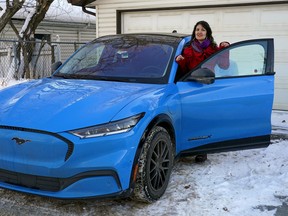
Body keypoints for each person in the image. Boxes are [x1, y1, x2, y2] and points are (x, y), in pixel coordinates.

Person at [175, 20, 230, 163]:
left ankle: (202, 149)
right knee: (192, 118)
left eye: (203, 30)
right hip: (191, 87)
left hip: (208, 87)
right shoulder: (187, 48)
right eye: (197, 29)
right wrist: (180, 60)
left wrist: (225, 49)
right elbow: (184, 70)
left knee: (205, 119)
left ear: (208, 32)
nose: (199, 32)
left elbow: (224, 66)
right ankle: (188, 145)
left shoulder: (213, 48)